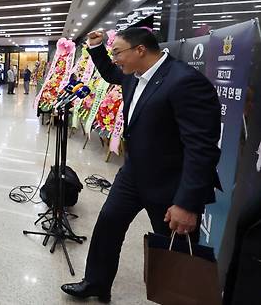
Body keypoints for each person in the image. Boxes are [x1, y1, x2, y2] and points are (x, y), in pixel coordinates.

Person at [61, 28, 221, 302]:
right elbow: (111, 74)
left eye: (117, 53)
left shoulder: (184, 81)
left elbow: (202, 147)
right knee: (108, 224)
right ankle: (97, 282)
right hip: (133, 174)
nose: (115, 59)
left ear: (140, 50)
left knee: (176, 248)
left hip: (170, 183)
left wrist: (187, 203)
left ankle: (179, 297)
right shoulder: (134, 77)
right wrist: (97, 48)